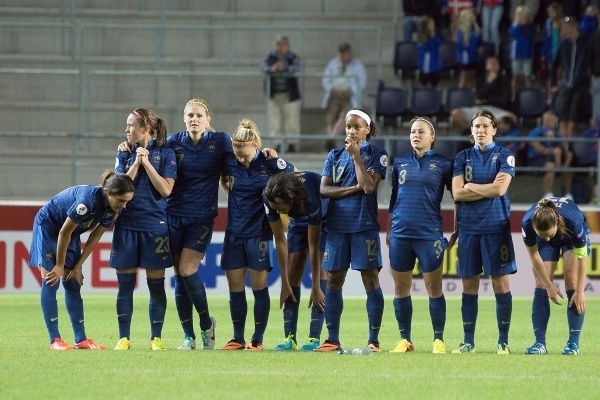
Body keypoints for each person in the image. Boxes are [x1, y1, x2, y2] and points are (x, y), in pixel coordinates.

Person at [29, 171, 135, 350]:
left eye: (127, 202)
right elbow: (63, 232)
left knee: (72, 281)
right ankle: (55, 340)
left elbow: (94, 237)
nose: (124, 206)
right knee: (51, 280)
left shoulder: (112, 210)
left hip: (70, 233)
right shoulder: (88, 202)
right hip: (49, 227)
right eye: (121, 201)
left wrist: (77, 266)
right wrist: (60, 265)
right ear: (109, 193)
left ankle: (81, 339)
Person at [218, 119, 295, 351]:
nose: (240, 159)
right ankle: (237, 338)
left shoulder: (269, 161)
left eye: (244, 155)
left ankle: (257, 340)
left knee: (259, 287)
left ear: (254, 145)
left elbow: (293, 174)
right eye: (237, 154)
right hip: (234, 232)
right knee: (235, 288)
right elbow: (223, 179)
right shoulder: (229, 161)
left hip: (259, 233)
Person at [315, 108, 388, 352]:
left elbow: (368, 187)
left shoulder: (378, 155)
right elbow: (324, 190)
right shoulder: (334, 155)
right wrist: (353, 188)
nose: (351, 131)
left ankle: (373, 341)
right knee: (334, 280)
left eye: (357, 126)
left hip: (363, 225)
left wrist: (357, 157)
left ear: (367, 129)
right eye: (348, 127)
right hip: (336, 226)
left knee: (370, 279)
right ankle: (332, 339)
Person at [386, 117, 455, 354]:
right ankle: (405, 340)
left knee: (433, 288)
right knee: (400, 288)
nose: (416, 135)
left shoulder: (444, 164)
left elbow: (459, 198)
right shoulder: (400, 162)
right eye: (413, 131)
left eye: (421, 132)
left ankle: (438, 340)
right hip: (400, 234)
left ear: (432, 137)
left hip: (429, 235)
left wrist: (457, 228)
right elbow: (394, 198)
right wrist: (389, 228)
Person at [451, 109, 517, 354]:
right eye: (476, 127)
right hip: (468, 229)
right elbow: (457, 193)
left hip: (495, 226)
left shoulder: (504, 155)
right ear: (471, 130)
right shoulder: (461, 157)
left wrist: (471, 186)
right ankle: (468, 341)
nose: (480, 130)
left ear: (494, 129)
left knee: (500, 285)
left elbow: (500, 191)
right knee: (469, 286)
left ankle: (503, 342)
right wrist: (486, 187)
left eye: (485, 126)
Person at [111, 108, 177, 351]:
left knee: (156, 285)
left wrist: (147, 163)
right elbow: (118, 188)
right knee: (125, 286)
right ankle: (123, 338)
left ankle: (156, 337)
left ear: (146, 128)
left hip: (155, 227)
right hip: (127, 225)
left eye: (130, 126)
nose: (126, 130)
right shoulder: (123, 153)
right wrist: (136, 163)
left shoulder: (166, 153)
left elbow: (166, 190)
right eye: (127, 126)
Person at [166, 98, 226, 350]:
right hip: (173, 214)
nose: (194, 119)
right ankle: (188, 337)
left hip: (201, 216)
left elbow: (246, 153)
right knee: (179, 275)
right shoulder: (173, 142)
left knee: (188, 269)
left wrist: (267, 153)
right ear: (183, 118)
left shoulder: (219, 141)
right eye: (190, 115)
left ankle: (205, 325)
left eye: (199, 115)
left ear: (207, 119)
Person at [263, 171, 328, 352]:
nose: (278, 212)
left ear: (291, 199)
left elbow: (313, 246)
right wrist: (284, 282)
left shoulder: (310, 195)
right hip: (298, 222)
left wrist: (315, 286)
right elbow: (280, 239)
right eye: (274, 208)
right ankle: (289, 338)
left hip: (323, 218)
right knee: (292, 274)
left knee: (322, 271)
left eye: (281, 208)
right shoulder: (270, 198)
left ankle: (314, 338)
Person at [521, 198, 589, 355]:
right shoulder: (528, 223)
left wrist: (580, 291)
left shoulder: (572, 223)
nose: (547, 239)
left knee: (571, 280)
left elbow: (582, 257)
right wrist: (548, 285)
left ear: (557, 222)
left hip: (569, 236)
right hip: (549, 234)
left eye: (549, 235)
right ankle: (540, 344)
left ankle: (573, 344)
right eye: (542, 235)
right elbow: (533, 254)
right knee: (540, 282)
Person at [450, 55, 515, 133]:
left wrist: (485, 101)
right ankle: (469, 137)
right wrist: (489, 82)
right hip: (479, 109)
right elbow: (479, 96)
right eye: (490, 63)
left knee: (508, 119)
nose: (493, 65)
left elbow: (503, 100)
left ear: (499, 66)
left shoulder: (505, 80)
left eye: (495, 63)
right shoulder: (481, 79)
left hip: (497, 110)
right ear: (486, 66)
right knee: (456, 113)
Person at [321, 43, 367, 149]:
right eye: (341, 53)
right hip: (334, 95)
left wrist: (350, 90)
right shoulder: (333, 64)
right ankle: (331, 140)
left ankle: (331, 139)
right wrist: (333, 89)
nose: (343, 55)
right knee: (330, 117)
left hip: (349, 96)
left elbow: (362, 82)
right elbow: (325, 79)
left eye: (345, 53)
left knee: (345, 116)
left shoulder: (357, 65)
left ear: (349, 53)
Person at [552, 16, 592, 138]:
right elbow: (554, 64)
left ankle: (570, 144)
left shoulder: (585, 42)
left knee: (573, 115)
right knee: (562, 114)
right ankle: (563, 144)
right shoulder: (564, 44)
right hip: (565, 83)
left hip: (580, 83)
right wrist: (554, 83)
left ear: (573, 28)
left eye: (565, 28)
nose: (563, 31)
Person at [261, 35, 301, 153]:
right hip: (274, 95)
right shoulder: (270, 57)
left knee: (292, 121)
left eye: (283, 44)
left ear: (287, 46)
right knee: (275, 121)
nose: (280, 47)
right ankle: (277, 144)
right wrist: (272, 68)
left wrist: (284, 68)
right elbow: (263, 67)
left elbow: (297, 69)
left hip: (290, 95)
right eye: (278, 44)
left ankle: (292, 144)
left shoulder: (293, 57)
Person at [526, 110, 574, 199]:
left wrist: (557, 140)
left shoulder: (557, 133)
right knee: (550, 166)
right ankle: (547, 194)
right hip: (537, 158)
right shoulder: (536, 132)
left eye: (553, 120)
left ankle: (568, 194)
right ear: (544, 121)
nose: (551, 123)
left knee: (569, 166)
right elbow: (539, 149)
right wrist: (552, 148)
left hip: (554, 158)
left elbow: (565, 147)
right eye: (549, 120)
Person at [509, 6, 535, 102]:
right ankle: (514, 97)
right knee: (516, 76)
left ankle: (530, 97)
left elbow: (530, 36)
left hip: (527, 54)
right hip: (516, 55)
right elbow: (513, 34)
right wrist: (520, 25)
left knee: (528, 76)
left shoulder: (530, 26)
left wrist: (524, 25)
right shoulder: (514, 26)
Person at [454, 8, 481, 89]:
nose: (474, 17)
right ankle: (459, 95)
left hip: (474, 57)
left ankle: (471, 96)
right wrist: (472, 50)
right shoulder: (461, 30)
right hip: (465, 57)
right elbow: (460, 45)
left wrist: (479, 48)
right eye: (472, 15)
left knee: (472, 76)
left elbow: (479, 41)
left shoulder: (476, 29)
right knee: (464, 76)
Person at [416, 17, 443, 88]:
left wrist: (434, 37)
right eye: (431, 24)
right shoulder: (422, 38)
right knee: (424, 85)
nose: (433, 26)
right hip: (425, 65)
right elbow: (423, 49)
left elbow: (439, 44)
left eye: (433, 24)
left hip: (435, 66)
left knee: (435, 85)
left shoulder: (436, 37)